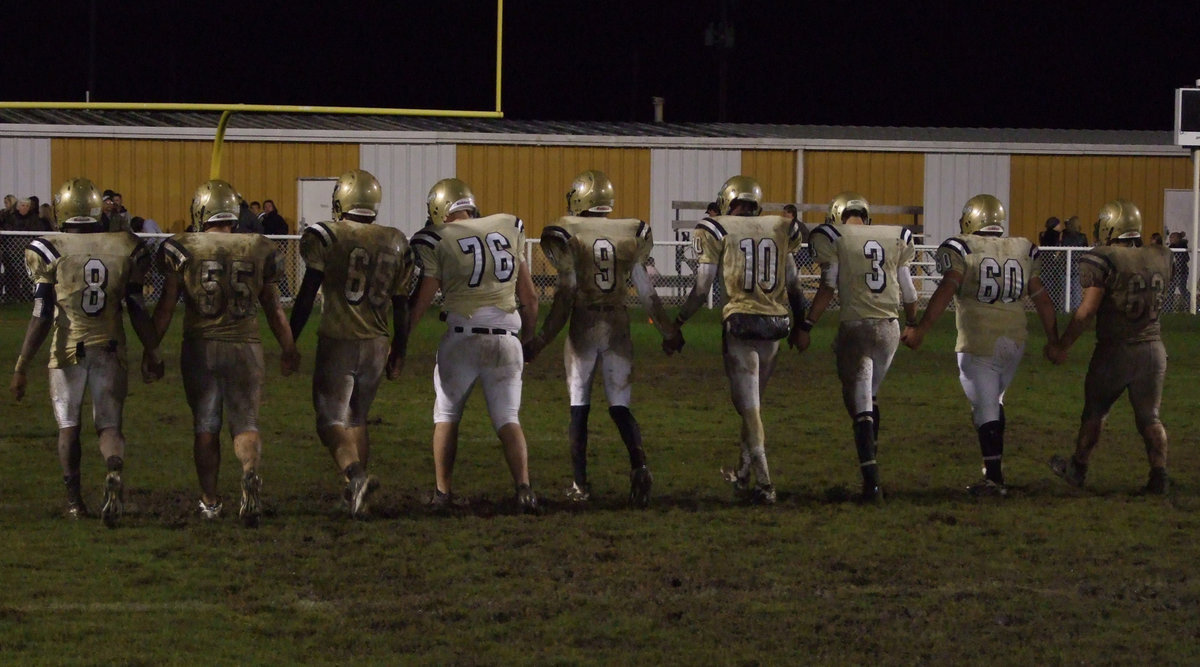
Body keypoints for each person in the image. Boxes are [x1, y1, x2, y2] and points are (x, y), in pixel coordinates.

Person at [9, 177, 163, 525]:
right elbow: (137, 308)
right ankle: (113, 467)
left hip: (67, 350)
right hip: (109, 346)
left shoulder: (50, 247)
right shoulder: (125, 245)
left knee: (69, 426)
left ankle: (76, 502)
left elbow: (42, 314)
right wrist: (153, 349)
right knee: (109, 427)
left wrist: (21, 365)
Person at [523, 170, 677, 506]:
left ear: (580, 198)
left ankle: (580, 484)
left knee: (579, 407)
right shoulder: (630, 232)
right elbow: (647, 291)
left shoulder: (570, 232)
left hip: (585, 323)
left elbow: (564, 298)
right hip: (618, 323)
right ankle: (640, 466)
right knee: (620, 406)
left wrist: (540, 341)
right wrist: (668, 330)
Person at [153, 180, 300, 526]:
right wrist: (289, 347)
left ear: (201, 212)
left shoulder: (183, 246)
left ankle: (210, 501)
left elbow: (166, 306)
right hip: (245, 346)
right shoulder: (257, 246)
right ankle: (249, 470)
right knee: (245, 423)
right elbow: (274, 308)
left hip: (201, 346)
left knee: (206, 426)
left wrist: (151, 345)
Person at [902, 195, 1058, 495]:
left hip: (979, 339)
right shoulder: (1022, 248)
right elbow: (1042, 299)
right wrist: (1054, 340)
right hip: (1015, 340)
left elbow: (948, 287)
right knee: (994, 402)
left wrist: (922, 328)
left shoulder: (963, 247)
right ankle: (992, 468)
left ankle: (994, 479)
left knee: (985, 408)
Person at [666, 175, 806, 505]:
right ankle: (744, 472)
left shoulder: (718, 227)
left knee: (750, 409)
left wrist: (678, 321)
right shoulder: (779, 227)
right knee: (752, 405)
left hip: (742, 323)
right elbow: (795, 285)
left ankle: (766, 483)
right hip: (775, 323)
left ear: (729, 200)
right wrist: (804, 326)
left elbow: (702, 289)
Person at [408, 178, 540, 512]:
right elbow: (531, 298)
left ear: (438, 209)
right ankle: (524, 489)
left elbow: (420, 302)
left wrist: (400, 342)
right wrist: (528, 340)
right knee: (509, 418)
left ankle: (443, 493)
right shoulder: (507, 226)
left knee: (447, 416)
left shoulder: (439, 238)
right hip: (507, 339)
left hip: (463, 336)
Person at [290, 169, 413, 518]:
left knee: (329, 420)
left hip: (339, 337)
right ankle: (356, 493)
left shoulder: (331, 235)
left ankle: (355, 477)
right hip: (377, 341)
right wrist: (400, 350)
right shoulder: (395, 239)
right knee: (357, 417)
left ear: (341, 201)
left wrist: (290, 339)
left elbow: (306, 294)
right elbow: (402, 304)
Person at [797, 191, 918, 503]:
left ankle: (872, 482)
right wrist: (914, 323)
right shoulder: (894, 236)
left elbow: (828, 285)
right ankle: (871, 471)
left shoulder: (835, 237)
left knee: (859, 402)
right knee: (869, 396)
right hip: (889, 328)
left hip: (857, 327)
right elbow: (908, 290)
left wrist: (808, 324)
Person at [1047, 199, 1173, 494]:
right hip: (1153, 348)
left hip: (1116, 349)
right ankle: (1159, 475)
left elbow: (1087, 311)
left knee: (1095, 412)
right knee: (1150, 417)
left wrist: (1062, 344)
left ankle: (1078, 468)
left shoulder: (1103, 258)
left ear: (1110, 226)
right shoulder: (1161, 255)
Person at [1168, 231, 1189, 311]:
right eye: (1170, 237)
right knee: (1170, 291)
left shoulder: (1182, 246)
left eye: (1172, 237)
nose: (1170, 239)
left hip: (1181, 272)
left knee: (1182, 289)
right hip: (1173, 273)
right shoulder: (1171, 247)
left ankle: (1191, 305)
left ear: (1177, 238)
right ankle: (1168, 309)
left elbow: (1185, 259)